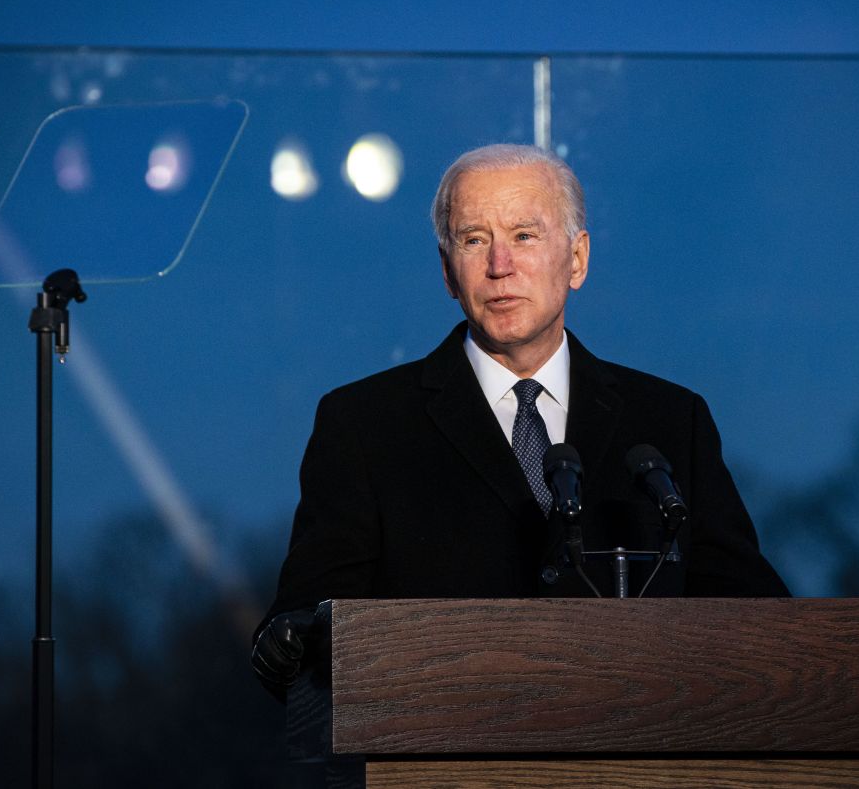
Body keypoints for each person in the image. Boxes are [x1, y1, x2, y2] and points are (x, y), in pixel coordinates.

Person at [252, 144, 788, 694]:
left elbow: (764, 624)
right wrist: (289, 639)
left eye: (524, 236)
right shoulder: (364, 425)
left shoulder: (672, 421)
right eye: (474, 239)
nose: (499, 266)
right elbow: (303, 629)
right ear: (447, 272)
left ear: (576, 259)